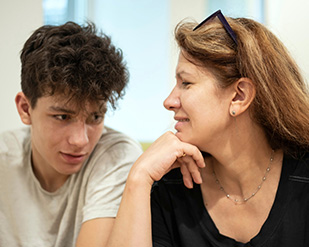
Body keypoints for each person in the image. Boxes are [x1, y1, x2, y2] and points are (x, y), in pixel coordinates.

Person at [106, 10, 309, 247]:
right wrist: (139, 179)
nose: (169, 101)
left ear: (239, 96)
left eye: (186, 83)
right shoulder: (170, 189)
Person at [0, 21, 142, 247]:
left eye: (95, 117)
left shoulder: (116, 156)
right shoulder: (4, 157)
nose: (80, 141)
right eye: (62, 117)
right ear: (25, 109)